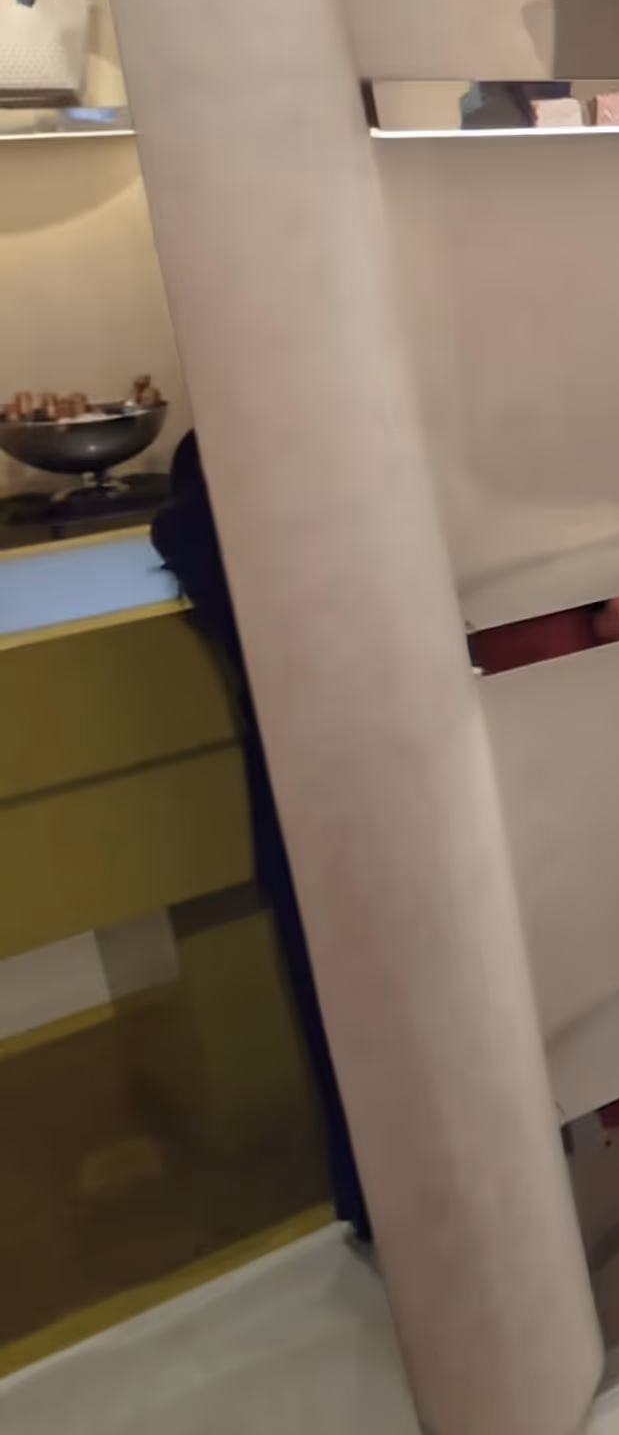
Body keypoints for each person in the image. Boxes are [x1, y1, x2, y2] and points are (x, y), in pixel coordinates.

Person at [149, 434, 368, 1241]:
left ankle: (376, 1198)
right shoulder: (246, 516)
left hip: (296, 789)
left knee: (337, 1002)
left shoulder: (195, 519)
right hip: (346, 785)